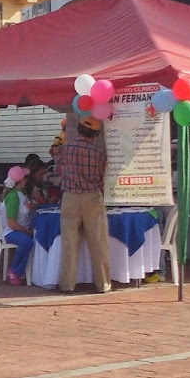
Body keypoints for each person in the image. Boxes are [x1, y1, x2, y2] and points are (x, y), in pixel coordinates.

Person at [55, 116, 110, 294]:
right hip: (92, 197)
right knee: (98, 242)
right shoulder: (99, 153)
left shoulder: (66, 149)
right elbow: (102, 175)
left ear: (78, 129)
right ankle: (103, 284)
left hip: (70, 196)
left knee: (69, 243)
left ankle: (67, 284)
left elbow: (55, 156)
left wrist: (62, 133)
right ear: (95, 134)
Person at [0, 166, 36, 286]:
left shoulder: (22, 194)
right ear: (22, 180)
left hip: (21, 228)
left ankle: (33, 271)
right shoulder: (13, 197)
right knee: (27, 242)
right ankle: (15, 271)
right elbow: (11, 223)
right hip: (11, 232)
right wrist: (27, 231)